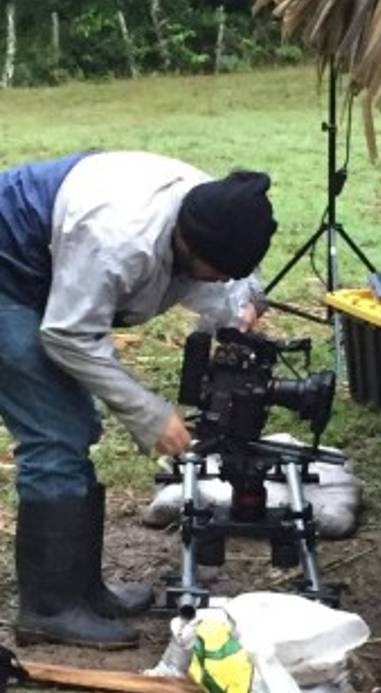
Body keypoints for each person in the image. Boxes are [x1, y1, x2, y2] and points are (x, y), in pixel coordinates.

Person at [0, 150, 277, 649]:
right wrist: (148, 413)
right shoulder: (119, 241)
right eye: (213, 271)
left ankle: (82, 590)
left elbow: (233, 280)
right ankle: (49, 608)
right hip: (7, 271)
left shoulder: (214, 207)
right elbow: (68, 337)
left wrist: (243, 309)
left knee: (78, 428)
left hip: (53, 257)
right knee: (55, 434)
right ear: (188, 244)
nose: (215, 281)